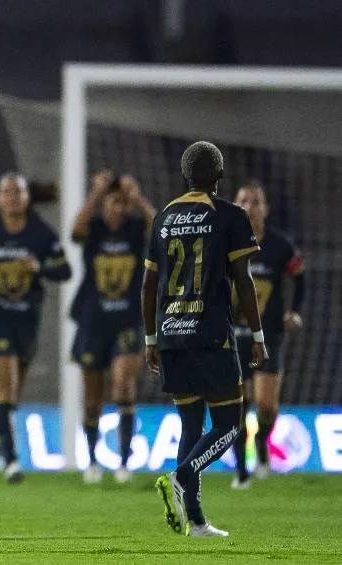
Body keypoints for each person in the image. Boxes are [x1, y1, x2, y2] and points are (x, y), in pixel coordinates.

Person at [146, 141, 267, 538]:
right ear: (220, 176)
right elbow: (243, 280)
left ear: (185, 176)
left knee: (191, 427)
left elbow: (148, 284)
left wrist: (150, 339)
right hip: (211, 334)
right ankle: (181, 475)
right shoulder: (230, 215)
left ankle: (195, 521)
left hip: (170, 336)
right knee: (230, 425)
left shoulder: (163, 217)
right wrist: (258, 334)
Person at [0, 172, 72, 483]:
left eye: (17, 192)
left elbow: (64, 270)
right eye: (6, 192)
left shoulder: (42, 235)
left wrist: (40, 267)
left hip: (27, 320)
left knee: (11, 393)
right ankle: (11, 462)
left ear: (26, 199)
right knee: (6, 390)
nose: (11, 197)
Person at [70, 171, 155, 484]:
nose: (118, 208)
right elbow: (74, 231)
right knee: (93, 399)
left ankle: (123, 463)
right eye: (113, 202)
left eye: (123, 203)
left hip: (127, 322)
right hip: (93, 322)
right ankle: (91, 461)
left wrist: (137, 198)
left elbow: (159, 225)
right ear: (103, 204)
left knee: (123, 388)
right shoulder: (93, 229)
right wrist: (95, 193)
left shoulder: (135, 229)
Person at [229, 182, 305, 489]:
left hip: (267, 334)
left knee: (265, 404)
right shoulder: (223, 245)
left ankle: (262, 443)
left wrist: (295, 312)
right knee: (236, 403)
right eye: (243, 201)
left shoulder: (279, 246)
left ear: (266, 209)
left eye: (256, 201)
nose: (250, 206)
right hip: (232, 335)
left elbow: (301, 279)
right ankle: (241, 472)